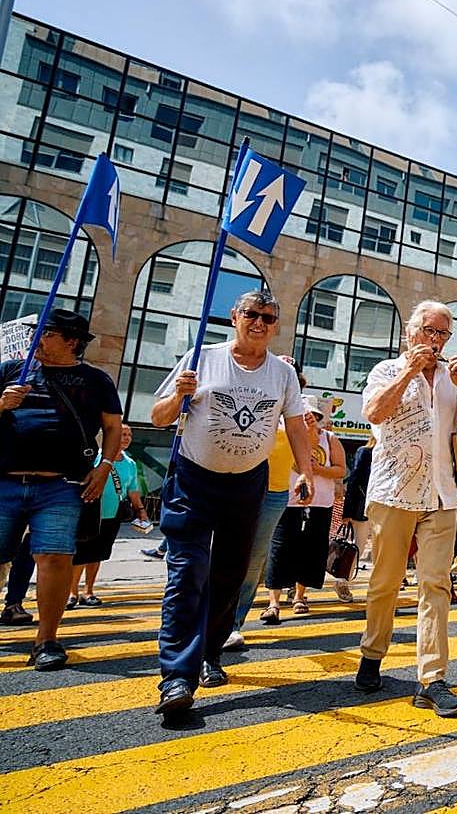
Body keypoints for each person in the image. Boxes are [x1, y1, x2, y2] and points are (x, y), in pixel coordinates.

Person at [150, 291, 313, 718]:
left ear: (276, 325)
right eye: (252, 315)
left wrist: (306, 473)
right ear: (234, 317)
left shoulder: (282, 374)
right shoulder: (201, 356)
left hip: (247, 484)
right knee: (188, 573)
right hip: (193, 479)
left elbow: (295, 425)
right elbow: (158, 417)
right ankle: (176, 678)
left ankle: (210, 652)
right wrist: (177, 396)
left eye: (268, 318)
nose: (259, 323)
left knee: (229, 575)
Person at [353, 300, 457, 718]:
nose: (436, 341)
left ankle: (432, 679)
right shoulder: (386, 371)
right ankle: (372, 654)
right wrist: (409, 369)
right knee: (386, 581)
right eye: (429, 331)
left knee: (435, 585)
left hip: (443, 494)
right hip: (394, 492)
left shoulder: (448, 377)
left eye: (443, 334)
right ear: (411, 331)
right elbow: (373, 412)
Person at [0, 309, 122, 671]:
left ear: (71, 341)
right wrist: (2, 404)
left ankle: (46, 640)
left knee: (54, 558)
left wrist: (104, 467)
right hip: (4, 480)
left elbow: (113, 428)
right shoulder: (10, 371)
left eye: (46, 333)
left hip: (60, 485)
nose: (36, 338)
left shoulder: (96, 381)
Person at [261, 396, 346, 621]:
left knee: (310, 549)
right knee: (279, 548)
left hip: (320, 502)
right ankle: (274, 602)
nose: (310, 420)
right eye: (304, 415)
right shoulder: (283, 435)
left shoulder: (330, 439)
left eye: (314, 417)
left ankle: (299, 596)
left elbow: (340, 470)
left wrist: (318, 469)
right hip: (285, 499)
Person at [223, 407, 297, 650]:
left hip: (275, 493)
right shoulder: (251, 404)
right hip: (238, 485)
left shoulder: (295, 417)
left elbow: (307, 455)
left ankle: (233, 624)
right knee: (223, 553)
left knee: (255, 560)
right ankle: (207, 617)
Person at [69, 423, 149, 607]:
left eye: (129, 434)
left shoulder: (130, 464)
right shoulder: (97, 459)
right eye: (122, 434)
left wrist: (141, 511)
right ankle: (71, 592)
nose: (127, 438)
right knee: (81, 554)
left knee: (98, 554)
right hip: (91, 513)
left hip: (112, 516)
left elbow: (133, 490)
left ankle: (88, 591)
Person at [343, 436, 375, 564]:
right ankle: (344, 578)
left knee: (385, 546)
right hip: (364, 506)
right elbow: (354, 480)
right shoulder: (365, 452)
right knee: (358, 545)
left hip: (384, 506)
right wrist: (348, 511)